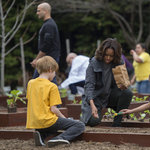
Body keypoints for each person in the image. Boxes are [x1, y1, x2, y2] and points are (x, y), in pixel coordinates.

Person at [26, 56, 85, 147]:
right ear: (50, 69)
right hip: (47, 121)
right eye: (54, 72)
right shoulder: (52, 86)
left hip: (35, 122)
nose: (54, 74)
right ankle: (59, 139)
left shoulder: (30, 83)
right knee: (80, 125)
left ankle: (41, 135)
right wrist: (64, 118)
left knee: (53, 124)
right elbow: (54, 109)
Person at [80, 38, 133, 127]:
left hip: (109, 95)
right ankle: (84, 117)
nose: (108, 58)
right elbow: (88, 86)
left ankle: (116, 123)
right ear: (102, 53)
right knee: (93, 121)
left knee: (127, 93)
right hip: (96, 97)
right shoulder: (94, 62)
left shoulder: (119, 62)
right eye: (106, 55)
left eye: (111, 56)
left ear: (115, 55)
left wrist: (123, 85)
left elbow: (121, 83)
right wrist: (92, 106)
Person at [30, 2, 61, 85]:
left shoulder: (49, 25)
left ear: (45, 11)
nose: (37, 13)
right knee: (42, 81)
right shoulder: (47, 24)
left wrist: (37, 59)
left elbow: (46, 45)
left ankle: (55, 98)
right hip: (46, 59)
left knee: (47, 81)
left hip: (50, 59)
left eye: (39, 11)